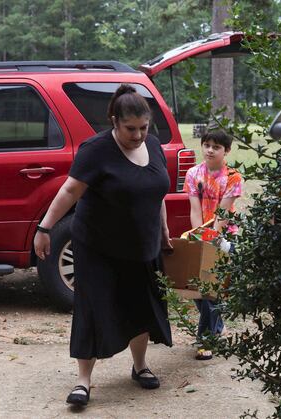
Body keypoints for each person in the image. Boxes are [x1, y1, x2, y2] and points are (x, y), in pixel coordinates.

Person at [33, 84, 173, 407]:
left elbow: (156, 193)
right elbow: (69, 191)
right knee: (93, 307)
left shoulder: (153, 146)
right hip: (98, 245)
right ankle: (83, 382)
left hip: (143, 245)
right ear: (113, 120)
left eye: (143, 128)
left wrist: (164, 228)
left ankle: (140, 367)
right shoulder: (95, 150)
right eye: (130, 129)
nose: (138, 135)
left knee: (142, 305)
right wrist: (44, 228)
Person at [183, 129, 242, 360]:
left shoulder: (233, 177)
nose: (210, 150)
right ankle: (217, 327)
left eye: (216, 147)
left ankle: (205, 339)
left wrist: (211, 241)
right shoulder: (193, 173)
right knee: (198, 289)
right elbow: (194, 210)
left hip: (224, 237)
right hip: (201, 236)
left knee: (210, 291)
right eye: (206, 145)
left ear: (226, 150)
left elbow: (222, 215)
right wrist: (198, 237)